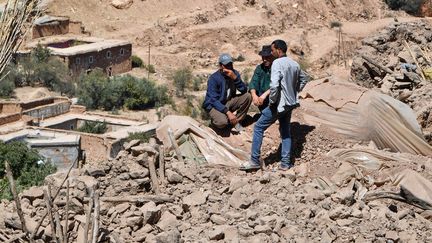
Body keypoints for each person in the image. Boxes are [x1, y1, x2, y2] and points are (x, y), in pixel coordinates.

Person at [240, 39, 309, 171]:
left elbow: (274, 85)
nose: (271, 54)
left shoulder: (277, 63)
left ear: (278, 50)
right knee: (285, 131)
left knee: (259, 127)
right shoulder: (294, 63)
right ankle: (285, 163)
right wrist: (294, 90)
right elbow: (304, 79)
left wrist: (272, 100)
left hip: (278, 104)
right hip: (290, 103)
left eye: (272, 51)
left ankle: (254, 161)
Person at [202, 53, 252, 130]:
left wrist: (235, 78)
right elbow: (213, 100)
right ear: (221, 66)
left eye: (230, 64)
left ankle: (236, 122)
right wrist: (228, 112)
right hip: (214, 105)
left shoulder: (234, 73)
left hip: (227, 102)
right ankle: (215, 124)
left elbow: (244, 90)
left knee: (248, 96)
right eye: (226, 65)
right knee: (222, 122)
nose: (229, 67)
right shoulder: (214, 78)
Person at [249, 45, 274, 112]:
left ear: (272, 56)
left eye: (267, 57)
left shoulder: (276, 68)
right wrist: (254, 95)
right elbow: (253, 82)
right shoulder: (259, 68)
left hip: (272, 97)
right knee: (249, 94)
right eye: (263, 57)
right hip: (262, 98)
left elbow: (276, 85)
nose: (264, 60)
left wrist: (264, 95)